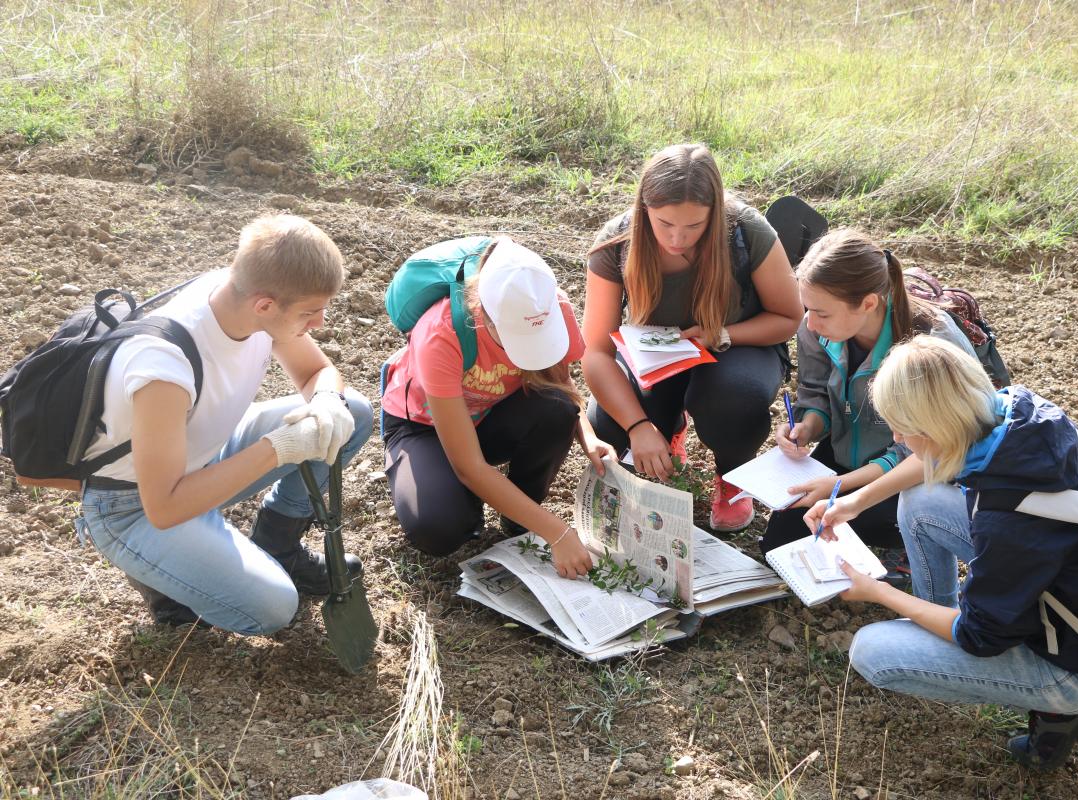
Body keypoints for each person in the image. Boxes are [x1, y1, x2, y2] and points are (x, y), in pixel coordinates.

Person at [806, 336, 1078, 771]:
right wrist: (854, 502)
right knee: (921, 500)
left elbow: (980, 637)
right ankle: (932, 618)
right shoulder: (1015, 410)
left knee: (871, 651)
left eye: (903, 428)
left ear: (935, 427)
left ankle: (1064, 711)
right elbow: (930, 464)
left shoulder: (1009, 519)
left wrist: (879, 592)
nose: (897, 438)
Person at [75, 215, 374, 635]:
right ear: (265, 305)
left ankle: (278, 544)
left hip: (204, 450)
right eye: (310, 312)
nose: (319, 324)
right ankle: (161, 579)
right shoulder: (163, 367)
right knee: (274, 607)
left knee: (352, 412)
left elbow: (316, 372)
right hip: (134, 505)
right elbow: (164, 507)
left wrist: (326, 400)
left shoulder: (244, 299)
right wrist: (280, 447)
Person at [581, 143, 803, 532]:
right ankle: (669, 426)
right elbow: (596, 354)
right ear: (643, 207)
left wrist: (722, 334)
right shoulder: (617, 242)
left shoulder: (746, 231)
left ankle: (734, 475)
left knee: (733, 399)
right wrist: (638, 427)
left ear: (715, 212)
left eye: (694, 226)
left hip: (737, 347)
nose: (678, 239)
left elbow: (788, 316)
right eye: (664, 223)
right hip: (658, 357)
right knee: (610, 423)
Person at [382, 236, 613, 579]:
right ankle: (464, 501)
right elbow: (468, 466)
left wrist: (588, 436)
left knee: (558, 410)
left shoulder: (550, 308)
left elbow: (559, 387)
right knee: (440, 528)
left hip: (491, 415)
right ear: (485, 315)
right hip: (423, 426)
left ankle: (520, 511)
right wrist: (558, 532)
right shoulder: (441, 332)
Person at [761, 228, 975, 577]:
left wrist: (839, 488)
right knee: (778, 547)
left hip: (921, 472)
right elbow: (815, 392)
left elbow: (929, 451)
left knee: (866, 522)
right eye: (808, 309)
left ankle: (909, 543)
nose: (810, 324)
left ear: (869, 303)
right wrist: (808, 425)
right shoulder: (815, 325)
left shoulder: (929, 344)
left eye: (823, 314)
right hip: (848, 457)